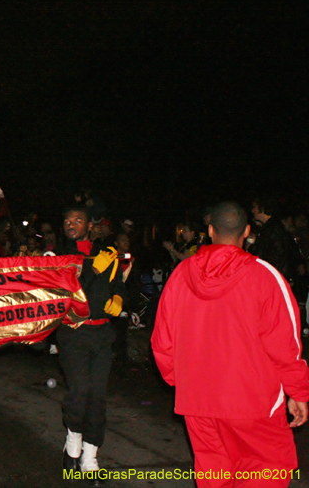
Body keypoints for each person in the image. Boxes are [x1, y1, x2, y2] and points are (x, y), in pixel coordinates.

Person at [151, 201, 309, 487]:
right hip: (253, 402)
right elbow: (285, 345)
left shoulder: (181, 274)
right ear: (248, 232)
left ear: (210, 230)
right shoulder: (266, 277)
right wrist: (297, 391)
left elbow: (163, 340)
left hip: (199, 401)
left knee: (214, 475)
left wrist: (182, 380)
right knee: (266, 470)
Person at [55, 206, 126, 481]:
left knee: (98, 396)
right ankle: (72, 443)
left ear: (89, 225)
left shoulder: (106, 253)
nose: (71, 224)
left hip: (102, 334)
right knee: (80, 390)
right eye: (67, 220)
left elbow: (118, 285)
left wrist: (119, 299)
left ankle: (90, 455)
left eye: (77, 220)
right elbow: (65, 292)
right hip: (73, 332)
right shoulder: (59, 256)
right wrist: (92, 270)